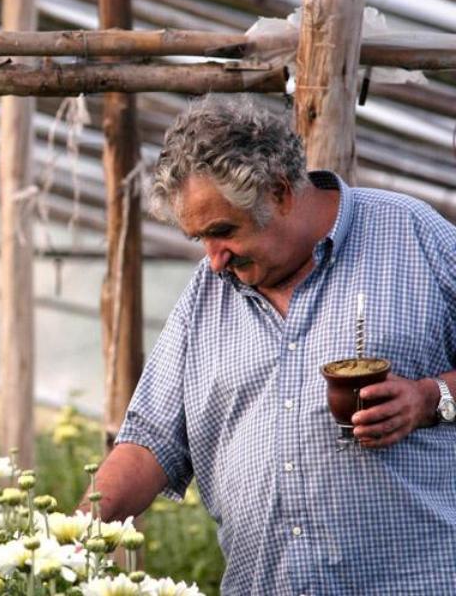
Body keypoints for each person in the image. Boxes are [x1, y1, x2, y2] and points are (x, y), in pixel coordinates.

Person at [85, 94, 456, 594]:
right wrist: (67, 537)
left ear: (280, 192)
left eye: (223, 231)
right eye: (201, 240)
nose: (215, 259)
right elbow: (149, 442)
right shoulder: (206, 294)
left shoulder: (410, 235)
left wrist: (429, 398)